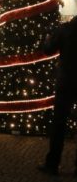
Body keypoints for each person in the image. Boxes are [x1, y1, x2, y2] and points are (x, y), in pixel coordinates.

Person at [38, 16, 77, 176]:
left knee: (59, 124)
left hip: (66, 82)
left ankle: (52, 163)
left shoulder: (65, 29)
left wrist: (46, 37)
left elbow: (48, 49)